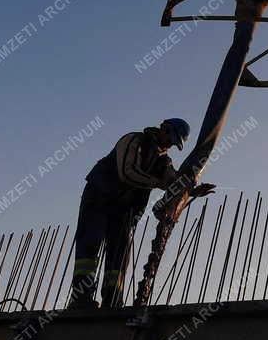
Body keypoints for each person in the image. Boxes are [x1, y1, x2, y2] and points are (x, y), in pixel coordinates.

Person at [68, 118, 214, 309]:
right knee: (90, 246)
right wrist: (159, 183)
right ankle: (80, 300)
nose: (170, 144)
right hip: (99, 198)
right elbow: (126, 172)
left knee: (119, 255)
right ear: (164, 128)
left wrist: (191, 191)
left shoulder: (163, 160)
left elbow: (173, 181)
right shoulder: (133, 140)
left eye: (174, 143)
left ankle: (113, 301)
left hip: (124, 209)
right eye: (171, 138)